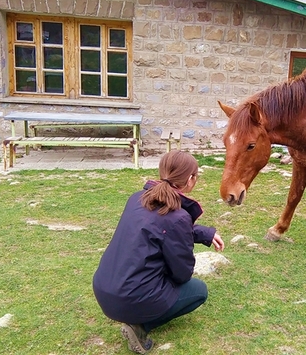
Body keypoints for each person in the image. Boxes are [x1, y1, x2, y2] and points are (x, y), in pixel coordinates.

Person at [92, 151, 225, 354]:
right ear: (190, 180)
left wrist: (204, 234)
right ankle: (141, 327)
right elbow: (182, 273)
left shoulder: (137, 198)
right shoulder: (178, 217)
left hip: (104, 289)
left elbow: (159, 225)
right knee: (199, 291)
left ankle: (139, 314)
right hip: (131, 298)